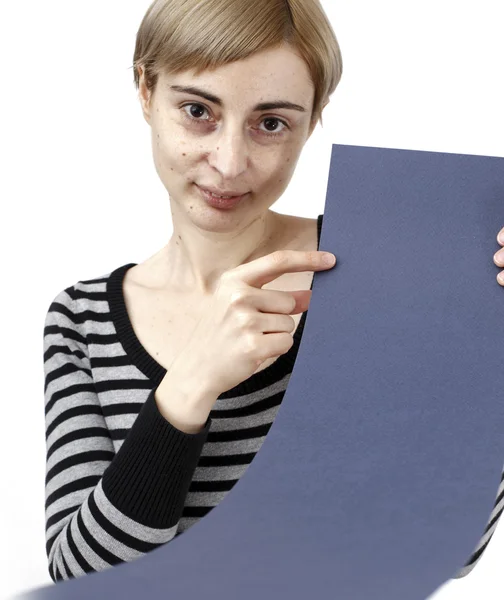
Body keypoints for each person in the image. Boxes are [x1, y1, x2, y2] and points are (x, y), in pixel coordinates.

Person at [42, 0, 504, 584]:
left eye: (271, 123)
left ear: (312, 120)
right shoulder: (81, 318)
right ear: (144, 90)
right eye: (196, 110)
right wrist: (189, 385)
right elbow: (80, 578)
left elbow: (442, 546)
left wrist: (489, 345)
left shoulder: (400, 279)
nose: (230, 163)